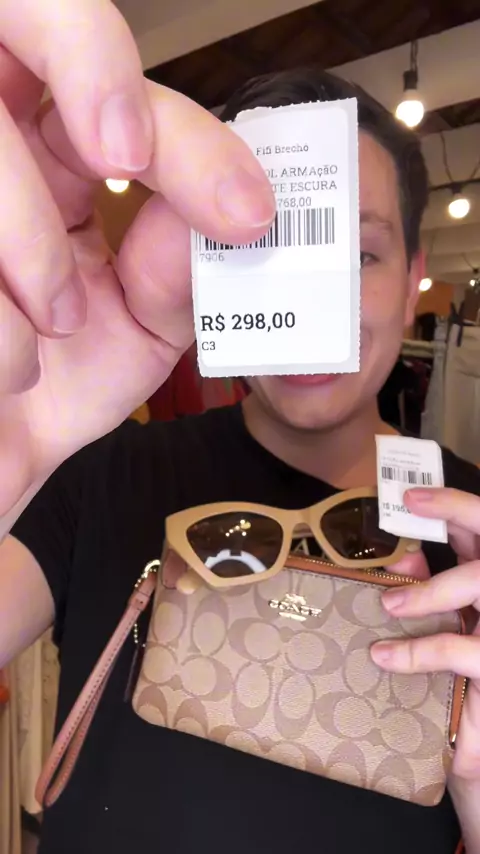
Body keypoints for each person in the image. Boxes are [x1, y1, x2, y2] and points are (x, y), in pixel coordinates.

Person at [0, 4, 479, 853]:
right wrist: (22, 442)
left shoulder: (474, 536)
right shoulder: (102, 471)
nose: (311, 301)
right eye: (268, 250)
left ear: (413, 279)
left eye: (358, 256)